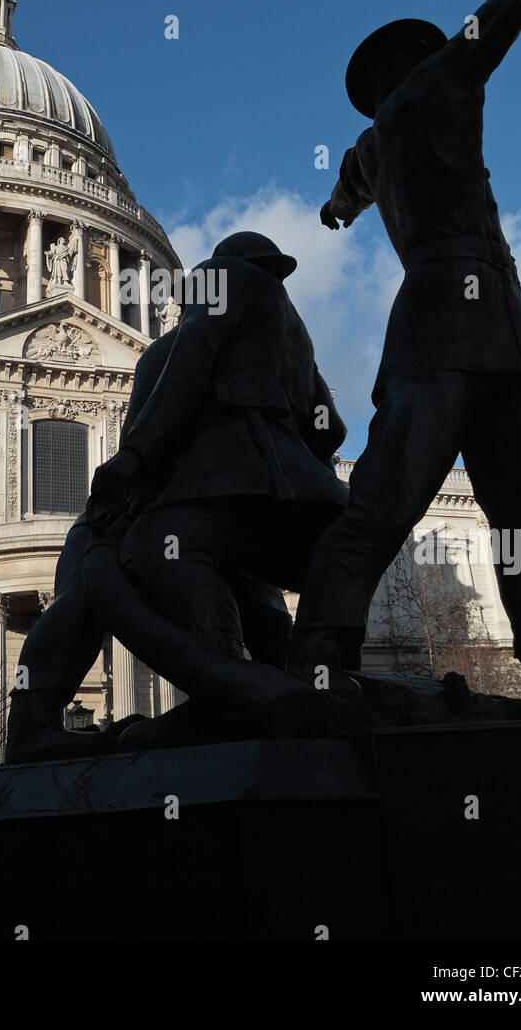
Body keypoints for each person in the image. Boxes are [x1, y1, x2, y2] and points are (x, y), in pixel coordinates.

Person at [288, 0, 521, 705]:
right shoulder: (433, 90)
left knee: (399, 503)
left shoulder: (374, 144)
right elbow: (493, 26)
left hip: (473, 324)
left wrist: (338, 208)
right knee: (506, 520)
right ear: (410, 65)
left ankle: (321, 655)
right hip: (467, 316)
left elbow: (346, 188)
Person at [89, 232, 351, 736]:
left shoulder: (221, 279)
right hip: (292, 491)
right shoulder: (294, 329)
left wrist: (137, 456)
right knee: (252, 586)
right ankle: (295, 684)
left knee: (154, 553)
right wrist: (295, 457)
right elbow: (331, 429)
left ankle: (230, 689)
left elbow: (192, 359)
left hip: (229, 473)